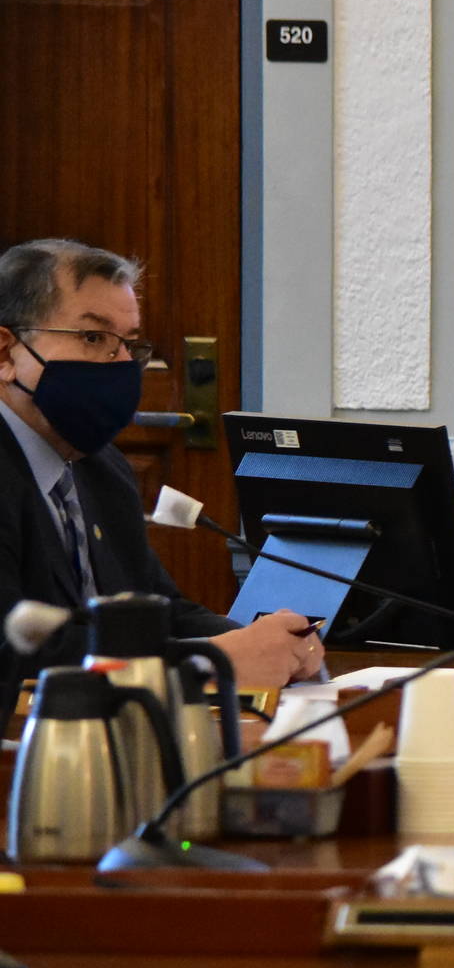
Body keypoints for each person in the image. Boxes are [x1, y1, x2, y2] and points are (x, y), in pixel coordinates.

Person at [0, 238, 324, 690]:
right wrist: (211, 662)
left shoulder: (102, 468)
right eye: (94, 338)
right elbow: (14, 657)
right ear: (5, 354)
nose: (120, 364)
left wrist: (259, 643)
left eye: (128, 343)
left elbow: (162, 610)